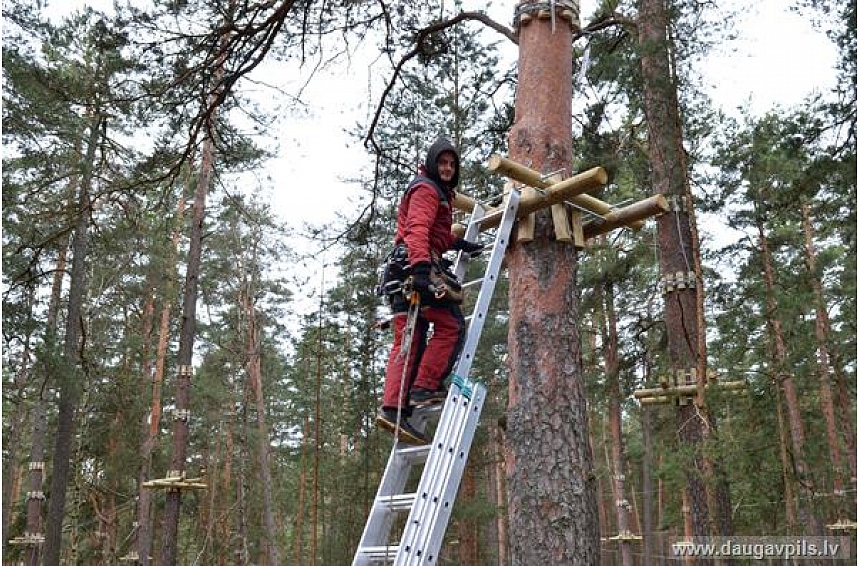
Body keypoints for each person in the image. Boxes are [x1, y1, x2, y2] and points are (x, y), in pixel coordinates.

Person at [376, 138, 484, 445]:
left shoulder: (436, 192)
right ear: (432, 163)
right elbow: (418, 229)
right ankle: (424, 388)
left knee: (407, 341)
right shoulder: (426, 188)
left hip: (401, 274)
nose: (448, 168)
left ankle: (394, 408)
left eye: (452, 164)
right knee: (451, 325)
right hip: (414, 269)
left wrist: (459, 243)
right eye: (443, 163)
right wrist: (422, 269)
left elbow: (434, 233)